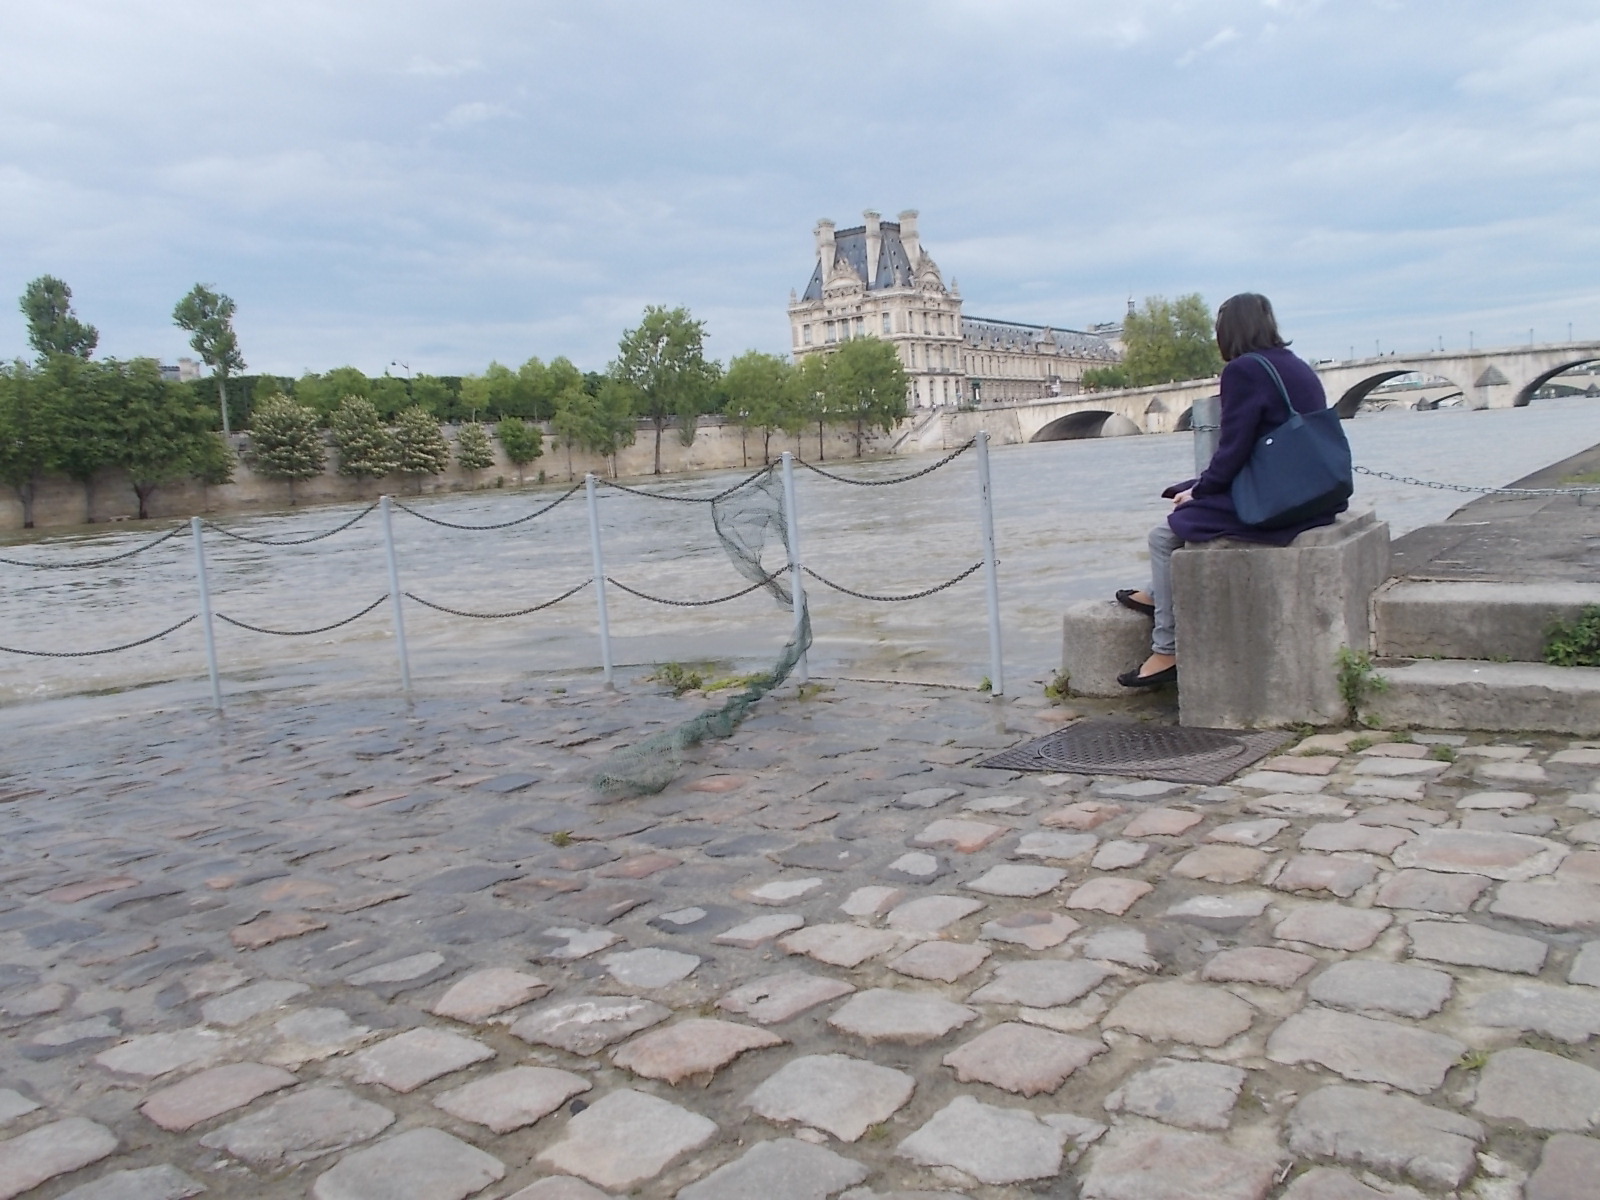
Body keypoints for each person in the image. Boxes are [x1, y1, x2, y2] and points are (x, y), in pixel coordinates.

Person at [1116, 293, 1347, 687]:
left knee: (1168, 531)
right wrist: (1200, 487)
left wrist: (1200, 491)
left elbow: (1235, 447)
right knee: (1191, 507)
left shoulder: (1244, 370)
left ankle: (1166, 649)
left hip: (1280, 503)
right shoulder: (1296, 366)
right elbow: (1266, 446)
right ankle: (1158, 592)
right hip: (1316, 493)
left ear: (1228, 332)